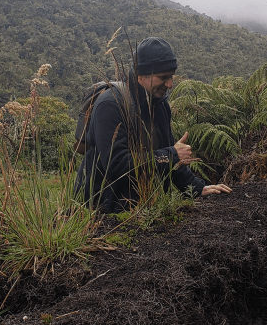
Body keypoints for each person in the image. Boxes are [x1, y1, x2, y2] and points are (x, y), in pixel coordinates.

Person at [74, 37, 232, 212]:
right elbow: (117, 166)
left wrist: (196, 187)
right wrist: (171, 154)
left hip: (140, 207)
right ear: (141, 76)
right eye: (163, 77)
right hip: (101, 209)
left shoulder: (159, 103)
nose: (170, 84)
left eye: (171, 76)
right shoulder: (111, 105)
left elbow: (169, 154)